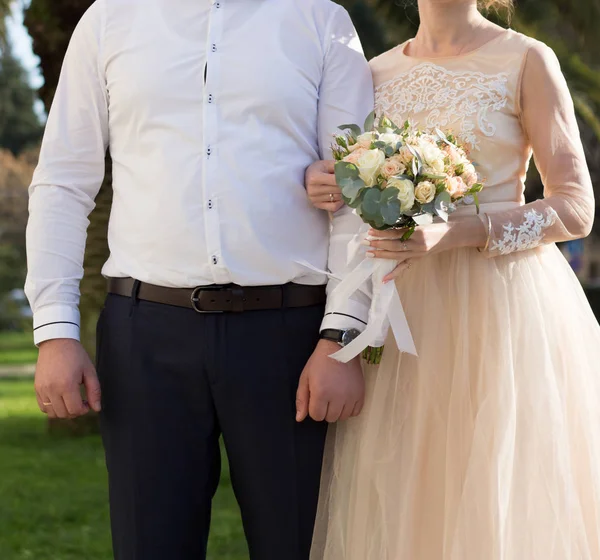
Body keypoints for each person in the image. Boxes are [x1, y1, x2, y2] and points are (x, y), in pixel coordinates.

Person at [24, 1, 373, 558]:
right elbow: (62, 183)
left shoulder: (318, 19)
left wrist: (342, 336)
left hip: (292, 342)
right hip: (144, 338)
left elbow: (359, 186)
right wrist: (56, 331)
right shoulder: (108, 20)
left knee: (302, 545)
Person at [305, 0, 600, 558]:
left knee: (490, 482)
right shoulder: (374, 72)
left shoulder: (527, 59)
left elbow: (575, 208)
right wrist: (328, 180)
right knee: (402, 488)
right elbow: (360, 179)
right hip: (401, 313)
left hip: (499, 308)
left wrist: (459, 233)